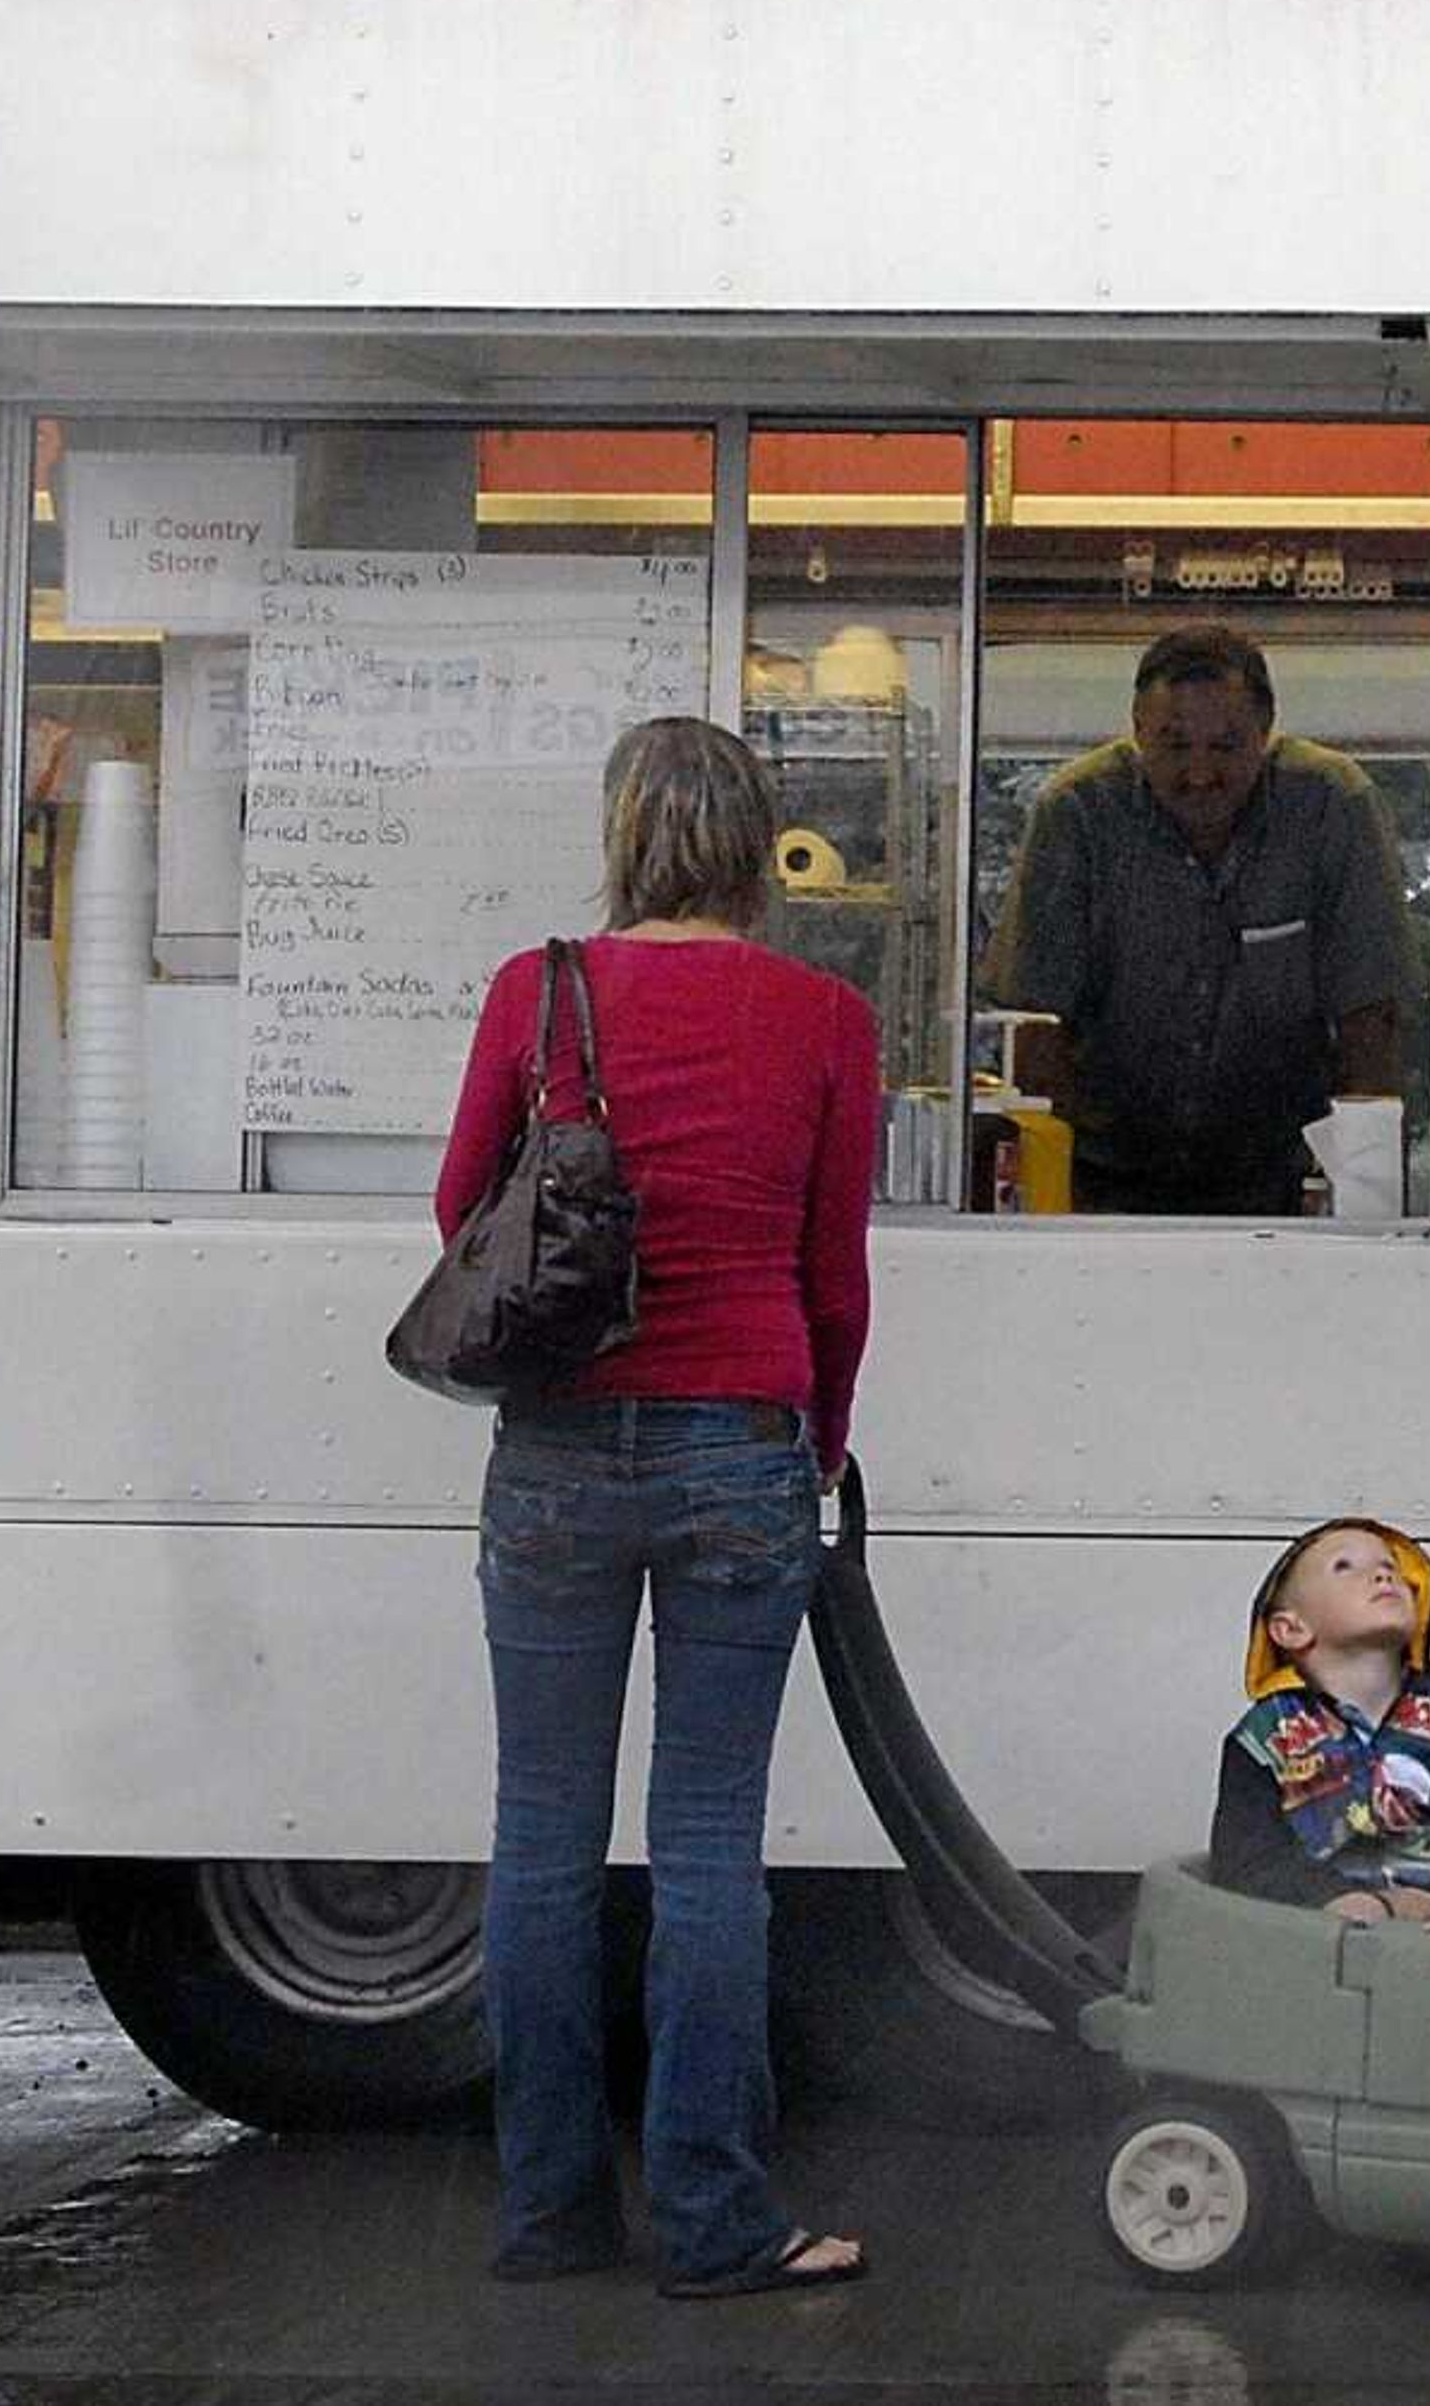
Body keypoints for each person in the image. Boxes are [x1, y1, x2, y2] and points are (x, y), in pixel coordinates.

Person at [435, 716, 880, 2300]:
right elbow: (835, 1273)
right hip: (738, 1446)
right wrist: (816, 1443)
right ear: (763, 846)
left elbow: (463, 1211)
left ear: (621, 832)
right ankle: (713, 2220)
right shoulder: (825, 1016)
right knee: (706, 1849)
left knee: (540, 1842)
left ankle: (550, 2215)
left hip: (555, 1445)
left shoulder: (537, 991)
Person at [982, 625, 1407, 1216]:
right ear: (1136, 728)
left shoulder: (1332, 806)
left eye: (1227, 747)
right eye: (1174, 745)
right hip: (1100, 1183)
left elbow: (1372, 1021)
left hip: (1281, 1183)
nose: (1201, 773)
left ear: (1266, 732)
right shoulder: (1077, 812)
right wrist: (1055, 1204)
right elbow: (1034, 1028)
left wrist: (1369, 1206)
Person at [1207, 1520, 1430, 1955]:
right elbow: (1245, 1859)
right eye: (1344, 1566)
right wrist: (1334, 1898)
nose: (1385, 1575)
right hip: (1306, 1950)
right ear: (1290, 1629)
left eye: (1391, 1567)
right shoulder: (1265, 1737)